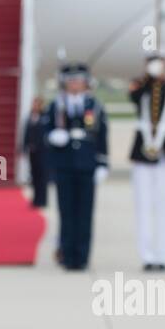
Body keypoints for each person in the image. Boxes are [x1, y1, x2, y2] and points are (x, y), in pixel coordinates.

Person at [42, 65, 108, 269]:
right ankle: (67, 255)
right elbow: (45, 131)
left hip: (87, 164)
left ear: (86, 82)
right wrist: (53, 136)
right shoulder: (57, 105)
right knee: (66, 212)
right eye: (71, 80)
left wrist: (103, 163)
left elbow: (102, 135)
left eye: (78, 79)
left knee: (85, 213)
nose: (74, 83)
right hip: (65, 165)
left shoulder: (94, 105)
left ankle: (82, 256)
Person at [129, 52, 165, 272]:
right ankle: (147, 255)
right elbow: (135, 98)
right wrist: (148, 80)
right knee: (143, 205)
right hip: (142, 151)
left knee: (164, 206)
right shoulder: (141, 86)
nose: (156, 67)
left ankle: (163, 254)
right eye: (152, 64)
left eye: (159, 64)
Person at [21, 95, 49, 208]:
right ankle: (36, 199)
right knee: (34, 176)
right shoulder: (30, 116)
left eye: (36, 104)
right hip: (32, 152)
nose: (34, 106)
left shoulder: (45, 117)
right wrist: (24, 146)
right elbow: (26, 133)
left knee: (42, 176)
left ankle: (42, 200)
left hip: (43, 152)